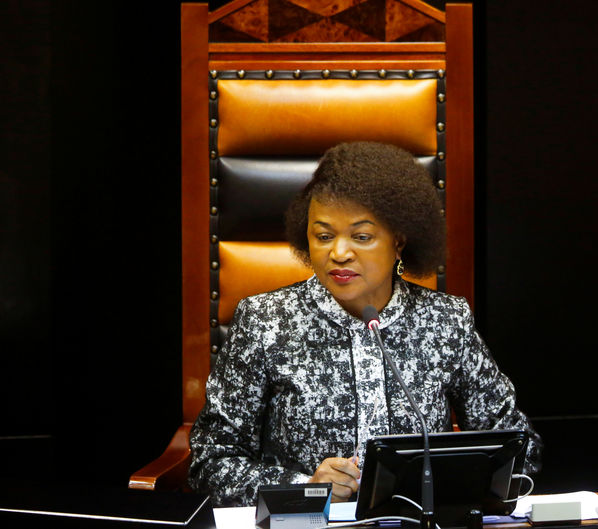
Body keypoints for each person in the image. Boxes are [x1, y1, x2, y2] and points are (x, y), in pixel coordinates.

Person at [188, 141, 542, 507]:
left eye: (361, 236)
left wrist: (450, 479)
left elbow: (519, 446)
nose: (339, 253)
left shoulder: (445, 320)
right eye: (324, 236)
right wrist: (305, 485)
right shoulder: (265, 322)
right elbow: (211, 462)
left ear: (399, 241)